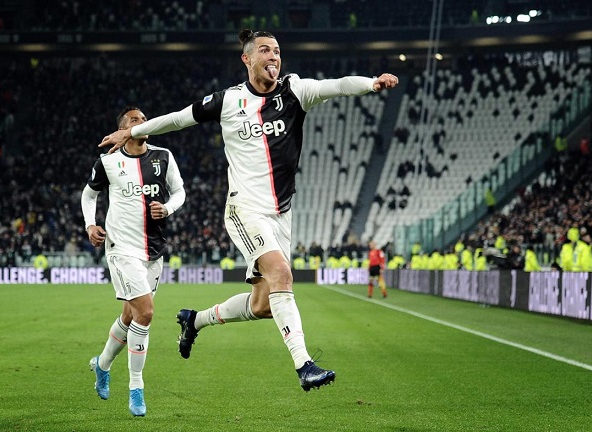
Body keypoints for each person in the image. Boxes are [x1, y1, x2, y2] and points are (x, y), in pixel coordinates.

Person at [100, 29, 399, 392]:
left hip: (281, 213)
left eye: (277, 51)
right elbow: (179, 118)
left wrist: (371, 83)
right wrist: (131, 133)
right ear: (247, 59)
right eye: (264, 51)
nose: (273, 57)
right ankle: (304, 364)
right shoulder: (228, 101)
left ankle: (195, 321)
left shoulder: (295, 90)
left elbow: (335, 85)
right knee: (283, 277)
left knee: (263, 305)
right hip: (244, 207)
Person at [82, 106, 186, 416]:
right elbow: (89, 195)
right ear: (122, 129)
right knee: (146, 312)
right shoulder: (109, 162)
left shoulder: (163, 156)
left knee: (130, 315)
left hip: (154, 250)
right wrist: (90, 224)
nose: (141, 123)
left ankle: (102, 365)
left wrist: (167, 208)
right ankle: (136, 388)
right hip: (121, 248)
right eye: (133, 120)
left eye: (143, 119)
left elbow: (180, 192)